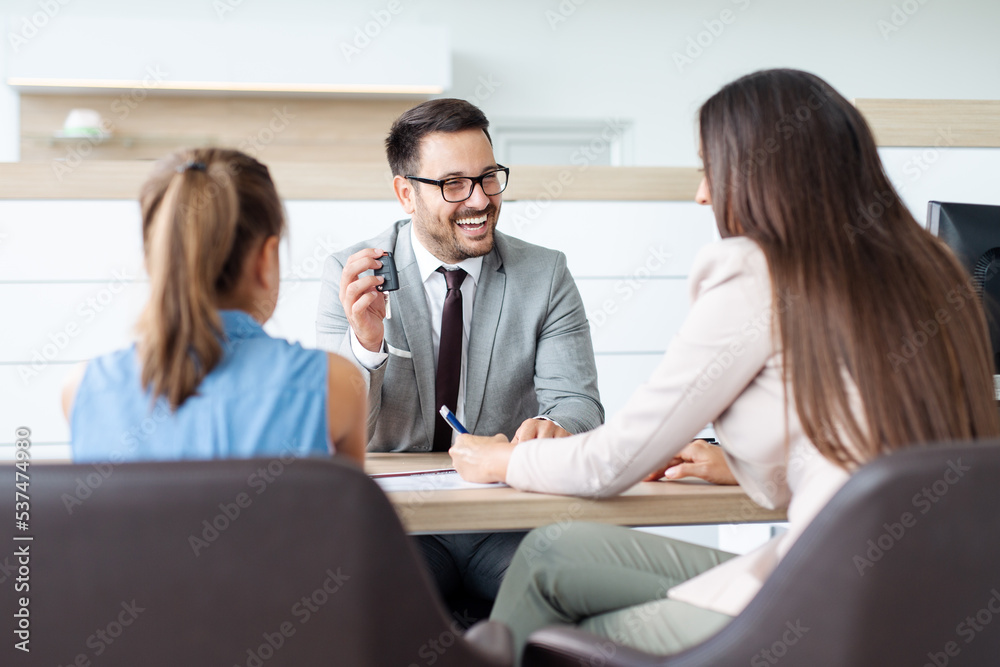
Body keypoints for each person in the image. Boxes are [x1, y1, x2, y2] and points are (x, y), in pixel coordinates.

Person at [450, 68, 1000, 661]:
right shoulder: (938, 271)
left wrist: (504, 458)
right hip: (936, 601)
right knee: (547, 552)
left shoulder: (754, 271)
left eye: (710, 169)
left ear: (761, 172)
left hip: (824, 609)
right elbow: (881, 451)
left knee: (547, 638)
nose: (702, 194)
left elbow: (613, 461)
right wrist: (736, 466)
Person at [316, 99, 604, 608]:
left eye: (488, 177)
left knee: (572, 602)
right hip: (404, 527)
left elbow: (580, 406)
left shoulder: (546, 275)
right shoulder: (353, 276)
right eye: (453, 184)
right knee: (367, 612)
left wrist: (555, 428)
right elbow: (340, 437)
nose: (479, 199)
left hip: (506, 520)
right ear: (406, 193)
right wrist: (365, 345)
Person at [64, 148, 366, 467]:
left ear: (157, 256)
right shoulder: (336, 384)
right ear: (266, 259)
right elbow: (349, 513)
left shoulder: (80, 389)